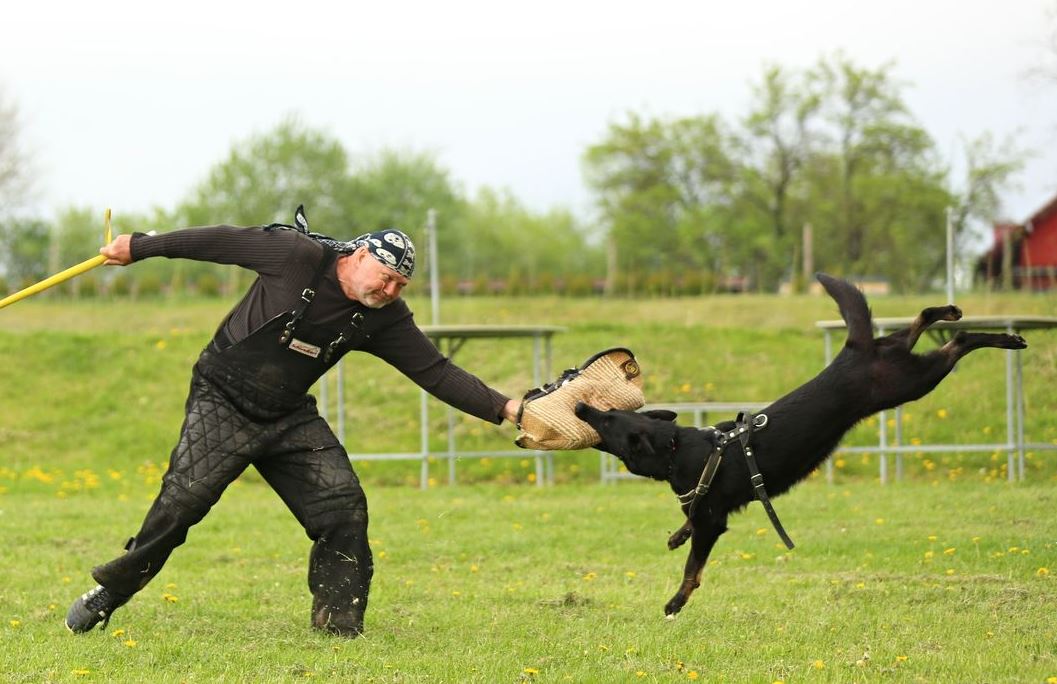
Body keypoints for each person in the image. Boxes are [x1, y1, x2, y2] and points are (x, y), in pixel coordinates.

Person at [64, 206, 520, 637]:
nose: (391, 292)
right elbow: (220, 241)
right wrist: (141, 247)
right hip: (222, 398)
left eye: (401, 285)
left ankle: (338, 624)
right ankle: (112, 591)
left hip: (287, 415)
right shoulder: (295, 255)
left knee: (343, 506)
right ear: (359, 257)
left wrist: (506, 409)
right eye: (387, 278)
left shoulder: (383, 318)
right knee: (185, 501)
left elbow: (435, 370)